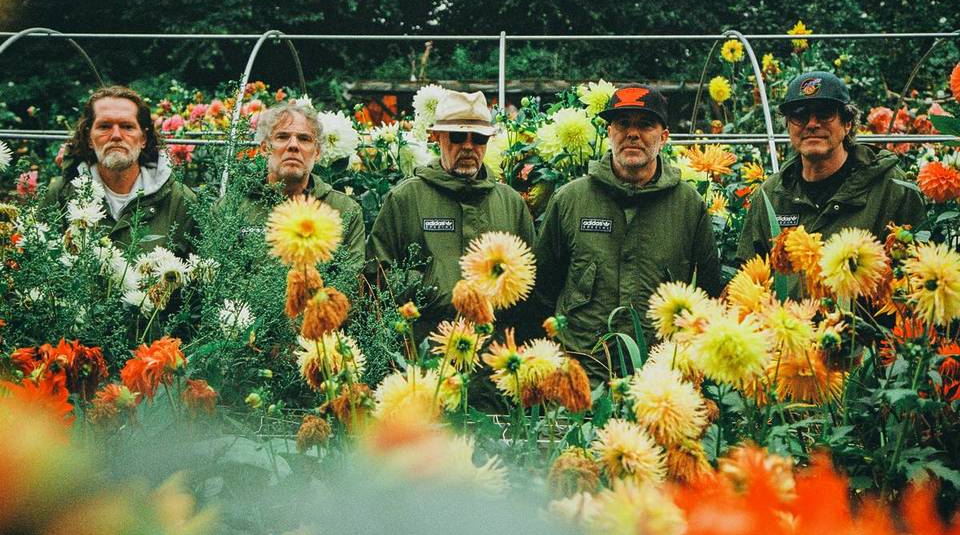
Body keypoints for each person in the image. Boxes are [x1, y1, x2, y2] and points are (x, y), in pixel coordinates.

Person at [533, 84, 722, 380]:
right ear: (609, 132)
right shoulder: (570, 200)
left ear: (664, 137)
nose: (632, 134)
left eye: (645, 124)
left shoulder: (688, 205)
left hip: (660, 377)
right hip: (584, 373)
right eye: (622, 123)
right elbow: (542, 289)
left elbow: (708, 293)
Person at [366, 90, 535, 339]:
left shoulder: (510, 203)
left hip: (492, 350)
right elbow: (377, 275)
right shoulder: (406, 198)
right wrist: (435, 289)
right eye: (457, 136)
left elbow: (530, 280)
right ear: (437, 137)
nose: (468, 146)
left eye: (478, 138)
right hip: (424, 349)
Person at [737, 70, 926, 274]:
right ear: (789, 127)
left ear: (847, 123)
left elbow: (918, 274)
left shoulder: (891, 187)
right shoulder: (771, 195)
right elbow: (748, 277)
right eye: (799, 115)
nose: (812, 124)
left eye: (825, 113)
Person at [43, 85, 196, 256]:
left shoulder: (180, 201)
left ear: (143, 138)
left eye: (127, 126)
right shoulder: (61, 194)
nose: (116, 135)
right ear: (89, 138)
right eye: (104, 126)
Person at [237, 102, 365, 264]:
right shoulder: (233, 207)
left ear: (317, 152)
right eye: (282, 137)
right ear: (264, 148)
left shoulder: (344, 210)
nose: (293, 145)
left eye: (304, 139)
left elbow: (349, 275)